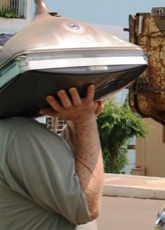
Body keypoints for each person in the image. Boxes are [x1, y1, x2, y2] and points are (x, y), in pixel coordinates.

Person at [0, 85, 104, 230]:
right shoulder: (19, 133)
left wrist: (77, 122)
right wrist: (84, 120)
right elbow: (86, 206)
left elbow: (68, 169)